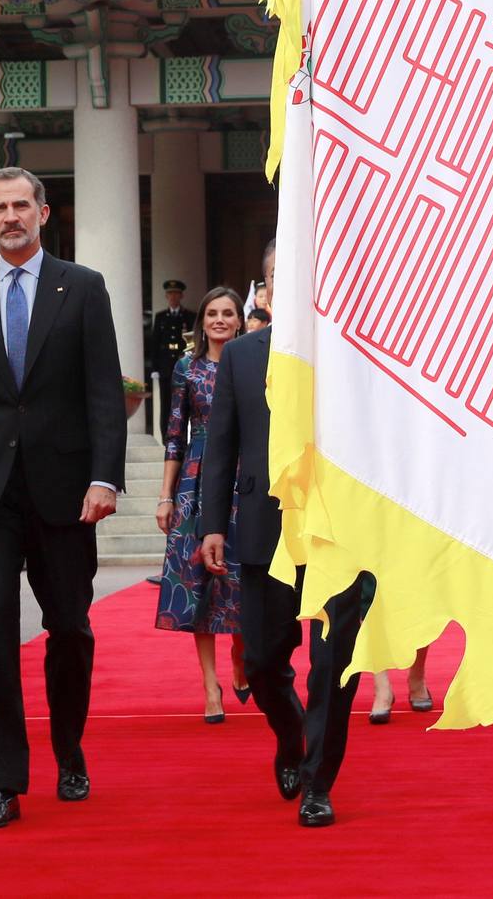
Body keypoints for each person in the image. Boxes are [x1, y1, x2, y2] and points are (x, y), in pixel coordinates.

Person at [0, 167, 126, 830]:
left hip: (67, 492)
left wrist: (106, 478)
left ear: (44, 214)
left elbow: (104, 392)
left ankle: (68, 750)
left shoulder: (84, 289)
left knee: (69, 627)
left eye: (22, 205)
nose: (11, 216)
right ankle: (2, 783)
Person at [199, 320, 363, 828]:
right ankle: (291, 735)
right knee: (263, 660)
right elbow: (222, 443)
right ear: (268, 286)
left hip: (342, 530)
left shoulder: (353, 348)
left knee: (332, 663)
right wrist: (211, 525)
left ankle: (318, 782)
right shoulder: (243, 354)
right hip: (263, 527)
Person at [154, 287, 248, 724]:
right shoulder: (186, 367)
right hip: (196, 477)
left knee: (243, 579)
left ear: (240, 320)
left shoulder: (251, 361)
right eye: (212, 313)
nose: (220, 320)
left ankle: (241, 656)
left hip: (245, 479)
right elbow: (175, 433)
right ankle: (210, 687)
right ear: (203, 320)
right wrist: (166, 495)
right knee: (198, 585)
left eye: (228, 313)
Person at [151, 280, 192, 441]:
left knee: (183, 402)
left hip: (183, 366)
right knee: (166, 404)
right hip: (165, 367)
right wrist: (154, 368)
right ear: (166, 296)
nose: (173, 297)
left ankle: (182, 437)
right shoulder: (161, 317)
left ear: (181, 295)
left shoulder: (189, 316)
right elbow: (154, 343)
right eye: (170, 294)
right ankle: (165, 438)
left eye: (176, 293)